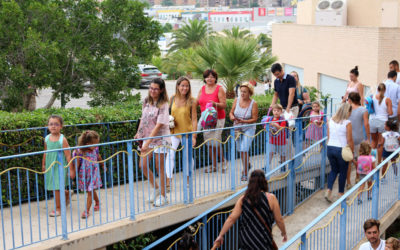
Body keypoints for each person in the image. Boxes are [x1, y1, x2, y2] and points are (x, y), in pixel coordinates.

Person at [212, 170, 287, 249]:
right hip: (263, 240)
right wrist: (283, 232)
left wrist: (221, 235)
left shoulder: (243, 199)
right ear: (264, 182)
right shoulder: (271, 198)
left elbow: (231, 218)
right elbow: (279, 219)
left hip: (247, 240)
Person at [134, 78, 171, 207]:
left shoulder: (163, 104)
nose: (152, 91)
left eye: (155, 89)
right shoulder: (146, 101)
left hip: (160, 138)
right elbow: (143, 119)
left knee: (159, 167)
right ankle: (156, 188)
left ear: (161, 90)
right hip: (147, 138)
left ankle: (163, 196)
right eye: (151, 88)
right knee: (142, 165)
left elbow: (159, 125)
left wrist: (147, 142)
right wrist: (139, 134)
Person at [165, 77, 197, 191]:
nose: (184, 88)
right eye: (182, 85)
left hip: (187, 133)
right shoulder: (172, 98)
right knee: (170, 155)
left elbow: (194, 119)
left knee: (187, 157)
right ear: (178, 86)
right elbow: (169, 113)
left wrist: (194, 136)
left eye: (187, 86)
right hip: (173, 132)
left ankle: (188, 177)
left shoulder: (192, 100)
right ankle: (168, 180)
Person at [42, 115, 74, 217]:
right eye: (51, 124)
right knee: (53, 186)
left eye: (56, 124)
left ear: (61, 126)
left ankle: (58, 208)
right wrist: (43, 164)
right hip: (50, 165)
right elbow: (46, 152)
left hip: (60, 166)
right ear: (48, 126)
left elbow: (68, 156)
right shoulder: (47, 138)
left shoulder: (62, 140)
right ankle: (66, 193)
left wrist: (71, 169)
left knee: (56, 187)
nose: (53, 126)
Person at [197, 69, 227, 173]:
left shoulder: (219, 89)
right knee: (208, 142)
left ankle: (223, 162)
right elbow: (197, 102)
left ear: (215, 78)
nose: (210, 78)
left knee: (216, 141)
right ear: (204, 78)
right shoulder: (202, 89)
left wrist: (215, 104)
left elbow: (224, 105)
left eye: (212, 76)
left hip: (217, 118)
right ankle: (214, 165)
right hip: (206, 119)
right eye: (207, 76)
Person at [72, 130, 106, 219]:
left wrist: (103, 165)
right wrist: (74, 172)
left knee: (90, 190)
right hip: (85, 173)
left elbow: (98, 157)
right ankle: (97, 202)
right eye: (94, 144)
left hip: (94, 172)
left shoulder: (96, 149)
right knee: (90, 189)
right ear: (87, 143)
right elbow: (77, 162)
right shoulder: (80, 151)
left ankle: (86, 211)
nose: (96, 146)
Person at [324, 103, 354, 202]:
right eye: (350, 111)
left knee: (333, 170)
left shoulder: (330, 120)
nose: (350, 113)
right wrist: (352, 151)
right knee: (343, 172)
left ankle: (328, 191)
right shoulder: (347, 123)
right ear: (347, 111)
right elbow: (349, 139)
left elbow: (328, 136)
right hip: (341, 149)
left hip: (330, 148)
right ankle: (341, 194)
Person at [229, 82, 258, 181]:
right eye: (241, 91)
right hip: (237, 128)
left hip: (248, 128)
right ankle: (248, 164)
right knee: (240, 149)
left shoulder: (253, 103)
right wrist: (232, 117)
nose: (242, 93)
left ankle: (245, 172)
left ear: (249, 93)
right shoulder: (236, 100)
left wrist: (244, 121)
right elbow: (231, 112)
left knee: (244, 149)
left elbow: (255, 118)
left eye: (244, 92)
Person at [347, 92, 371, 187]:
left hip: (348, 138)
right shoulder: (363, 110)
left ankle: (348, 182)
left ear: (350, 100)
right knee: (359, 158)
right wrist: (368, 138)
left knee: (349, 161)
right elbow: (366, 124)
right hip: (359, 138)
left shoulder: (346, 109)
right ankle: (357, 177)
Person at [370, 83, 393, 164]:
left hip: (372, 121)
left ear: (378, 89)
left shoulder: (372, 97)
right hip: (383, 122)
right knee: (380, 143)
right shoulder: (387, 100)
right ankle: (378, 163)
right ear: (385, 90)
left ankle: (371, 162)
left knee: (373, 142)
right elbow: (390, 113)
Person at [267, 104, 289, 170]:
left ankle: (283, 165)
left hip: (281, 140)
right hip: (272, 140)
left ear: (281, 112)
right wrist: (266, 127)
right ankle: (267, 166)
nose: (276, 112)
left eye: (278, 111)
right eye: (274, 110)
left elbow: (282, 128)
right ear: (272, 111)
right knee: (270, 152)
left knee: (282, 154)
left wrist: (276, 125)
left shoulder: (282, 119)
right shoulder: (270, 119)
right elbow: (266, 126)